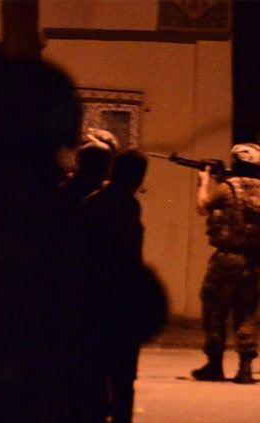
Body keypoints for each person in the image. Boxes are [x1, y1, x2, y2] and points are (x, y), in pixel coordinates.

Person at [82, 150, 167, 422]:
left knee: (96, 375)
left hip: (94, 299)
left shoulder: (93, 202)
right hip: (120, 300)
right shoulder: (127, 206)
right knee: (122, 379)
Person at [192, 143, 260, 384]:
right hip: (255, 258)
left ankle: (214, 364)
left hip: (228, 258)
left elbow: (202, 207)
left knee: (214, 308)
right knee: (245, 311)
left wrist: (203, 183)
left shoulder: (229, 187)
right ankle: (245, 367)